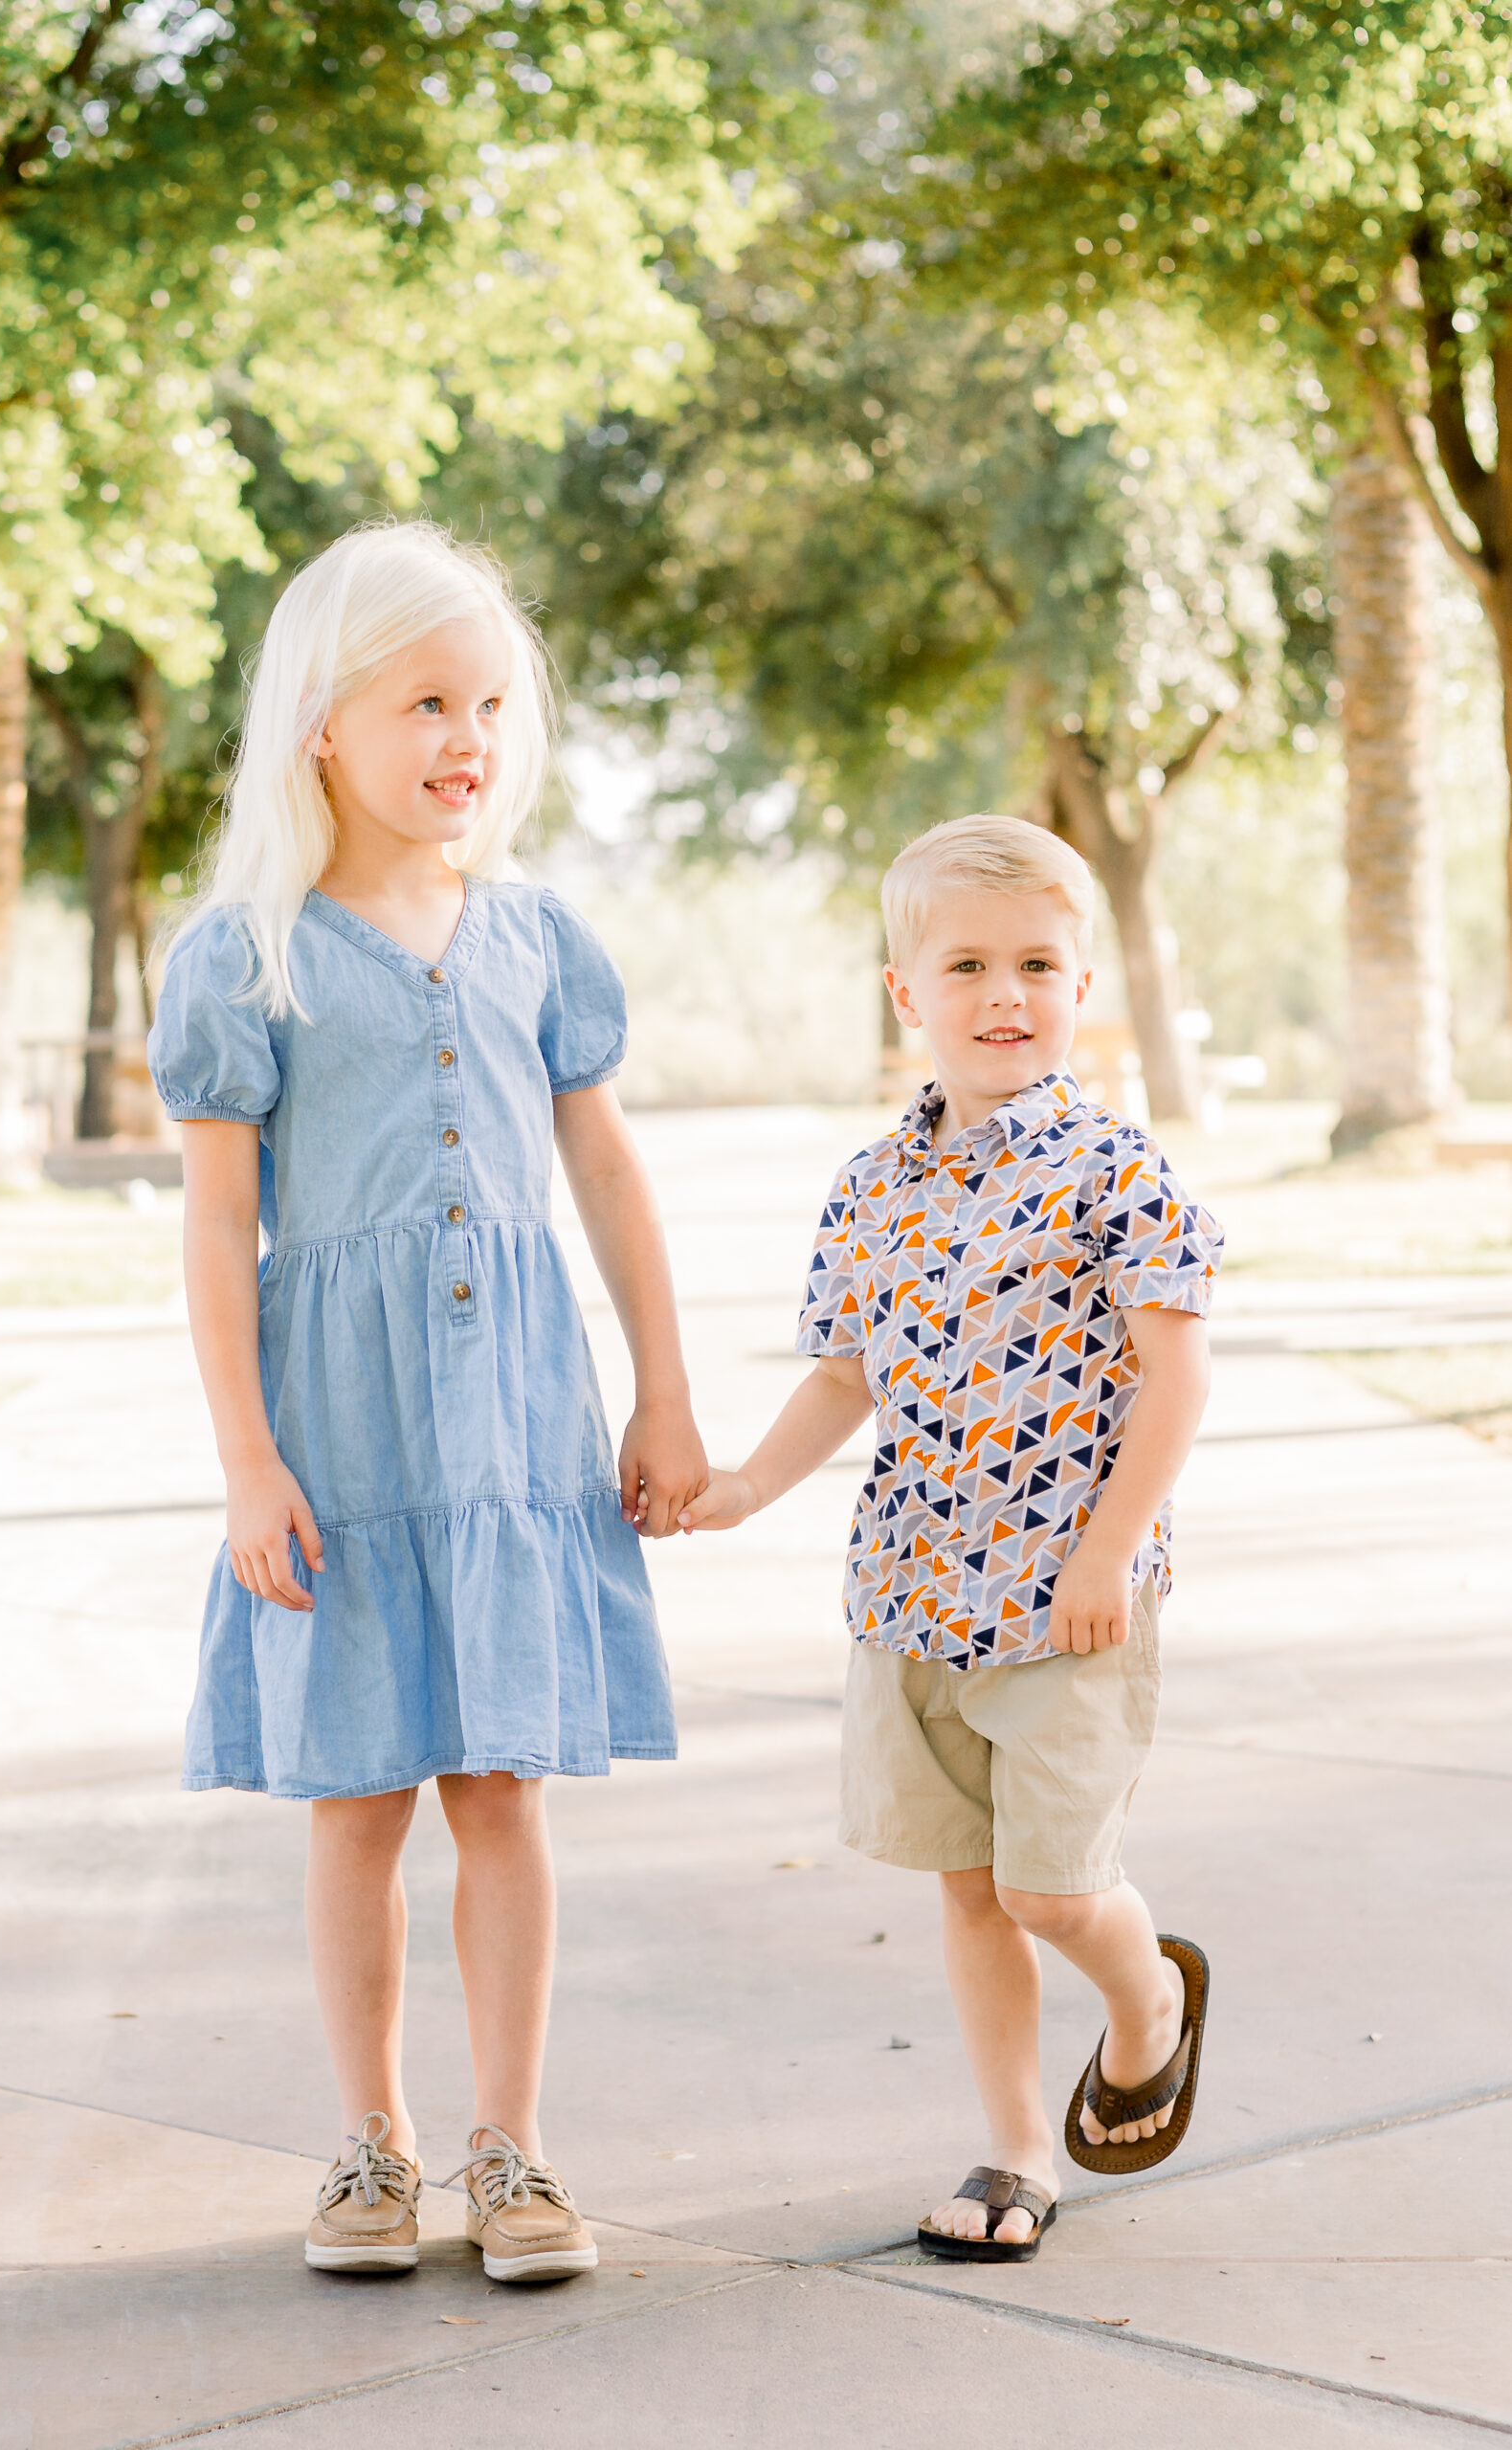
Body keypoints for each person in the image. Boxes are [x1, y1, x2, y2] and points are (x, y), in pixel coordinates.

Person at [148, 521, 706, 2283]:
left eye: (487, 703)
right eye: (424, 703)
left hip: (517, 1423)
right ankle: (370, 2148)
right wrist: (248, 1460)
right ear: (323, 721)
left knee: (503, 1792)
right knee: (359, 1798)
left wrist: (664, 1394)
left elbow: (608, 1179)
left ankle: (514, 2148)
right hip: (343, 1429)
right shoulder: (249, 952)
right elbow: (223, 1221)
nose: (465, 737)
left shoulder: (537, 934)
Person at [679, 814, 1222, 2263]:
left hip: (1067, 1603)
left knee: (1050, 1886)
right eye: (967, 964)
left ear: (1082, 987)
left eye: (1037, 964)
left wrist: (1106, 1552)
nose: (1003, 994)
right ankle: (1009, 2155)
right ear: (903, 993)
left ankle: (1146, 2000)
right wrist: (743, 1483)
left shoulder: (1120, 1174)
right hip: (910, 1595)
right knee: (973, 1891)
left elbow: (1174, 1378)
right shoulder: (871, 1189)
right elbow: (845, 1378)